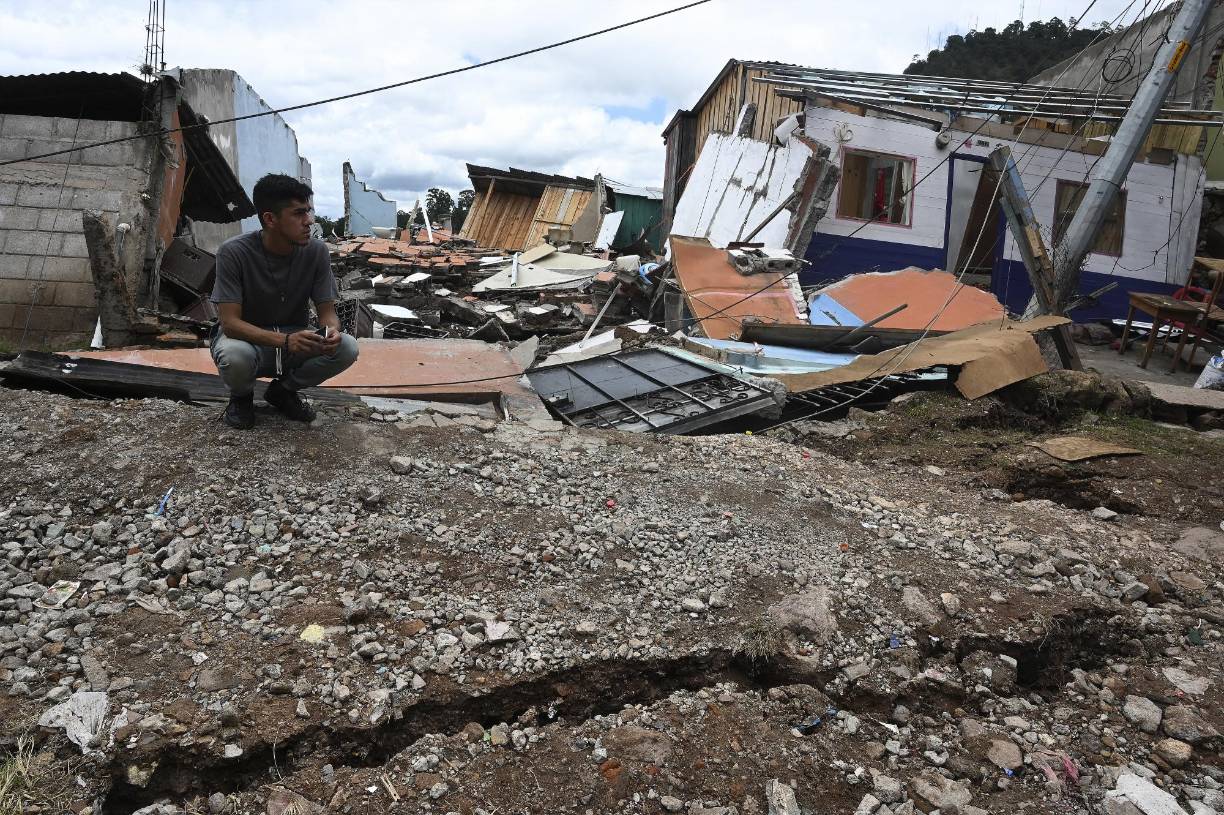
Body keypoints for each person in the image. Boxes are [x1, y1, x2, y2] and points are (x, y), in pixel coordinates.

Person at [209, 174, 358, 429]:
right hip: (248, 341)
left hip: (294, 340)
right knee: (234, 355)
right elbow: (230, 323)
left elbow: (327, 311)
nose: (309, 221)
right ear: (270, 219)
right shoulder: (234, 252)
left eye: (308, 212)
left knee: (347, 347)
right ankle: (241, 398)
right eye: (299, 214)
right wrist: (286, 341)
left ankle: (283, 391)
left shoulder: (317, 251)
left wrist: (331, 330)